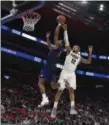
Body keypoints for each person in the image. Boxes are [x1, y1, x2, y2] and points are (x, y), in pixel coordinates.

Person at [51, 24, 93, 118]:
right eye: (74, 46)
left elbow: (89, 61)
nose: (74, 47)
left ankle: (72, 108)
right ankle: (54, 108)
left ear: (78, 50)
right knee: (59, 91)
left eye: (76, 47)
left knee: (71, 90)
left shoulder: (79, 57)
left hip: (72, 74)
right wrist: (65, 30)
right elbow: (66, 41)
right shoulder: (69, 51)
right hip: (65, 72)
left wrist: (90, 52)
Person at [38, 23, 64, 108]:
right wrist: (47, 37)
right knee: (53, 86)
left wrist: (59, 25)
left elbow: (55, 36)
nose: (58, 41)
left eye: (59, 41)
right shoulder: (56, 50)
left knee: (40, 83)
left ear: (60, 44)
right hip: (53, 68)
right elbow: (49, 46)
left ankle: (45, 99)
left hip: (48, 67)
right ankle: (62, 83)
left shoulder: (58, 48)